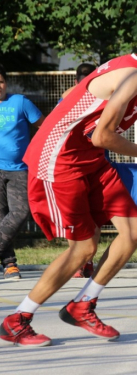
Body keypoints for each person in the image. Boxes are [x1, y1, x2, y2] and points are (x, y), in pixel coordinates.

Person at [0, 16, 137, 347]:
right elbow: (102, 135)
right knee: (84, 248)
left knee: (136, 230)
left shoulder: (135, 74)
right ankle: (18, 320)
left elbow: (89, 122)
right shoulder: (132, 75)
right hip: (60, 161)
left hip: (89, 160)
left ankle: (83, 304)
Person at [0, 64, 45, 280]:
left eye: (0, 81)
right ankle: (9, 265)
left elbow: (44, 127)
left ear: (6, 82)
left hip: (19, 170)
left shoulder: (19, 102)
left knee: (21, 212)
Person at [60, 63, 98, 278]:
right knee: (74, 215)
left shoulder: (105, 98)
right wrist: (85, 87)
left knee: (93, 215)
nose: (87, 82)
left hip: (96, 162)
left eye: (91, 77)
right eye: (83, 79)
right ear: (77, 81)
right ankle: (77, 259)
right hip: (73, 164)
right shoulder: (69, 98)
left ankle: (88, 261)